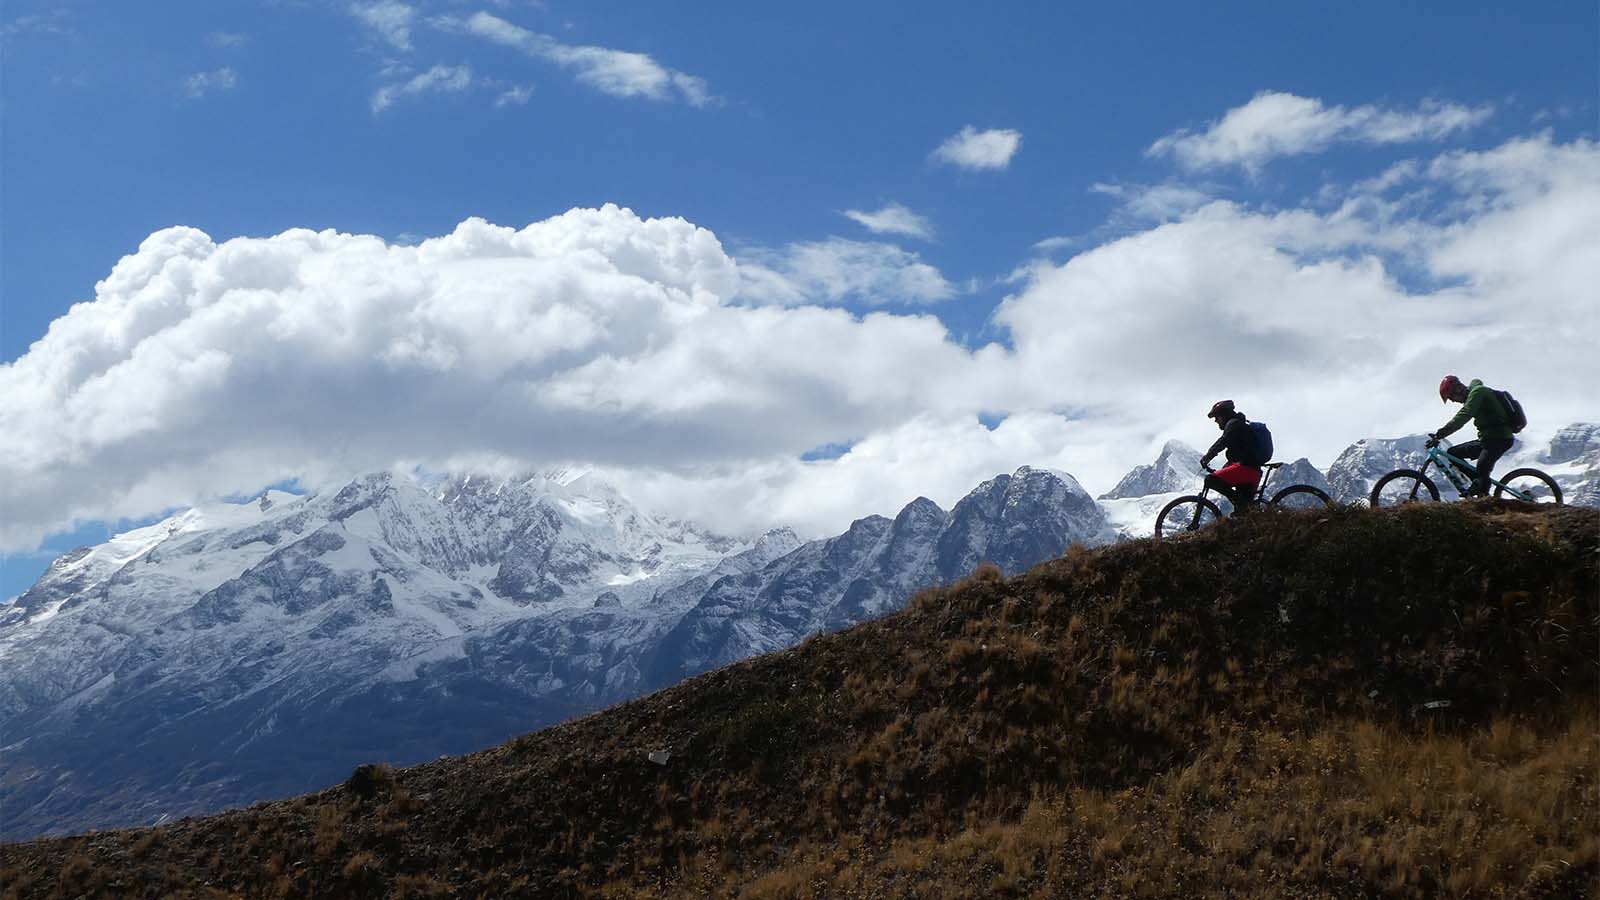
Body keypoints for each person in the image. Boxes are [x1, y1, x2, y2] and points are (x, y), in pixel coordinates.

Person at [1430, 375, 1515, 497]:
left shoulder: (1477, 392)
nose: (1453, 401)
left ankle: (1484, 497)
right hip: (1487, 440)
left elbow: (1464, 414)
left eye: (1451, 397)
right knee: (1453, 453)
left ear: (1458, 389)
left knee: (1482, 467)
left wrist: (1441, 433)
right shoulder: (1474, 395)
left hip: (1500, 438)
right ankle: (1479, 485)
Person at [1199, 400, 1261, 512]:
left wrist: (1207, 457)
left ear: (1223, 414)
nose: (1216, 421)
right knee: (1243, 513)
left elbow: (1223, 442)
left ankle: (1243, 504)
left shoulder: (1233, 424)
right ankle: (1246, 507)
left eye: (1216, 417)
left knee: (1211, 480)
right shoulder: (1238, 424)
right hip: (1250, 471)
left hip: (1245, 469)